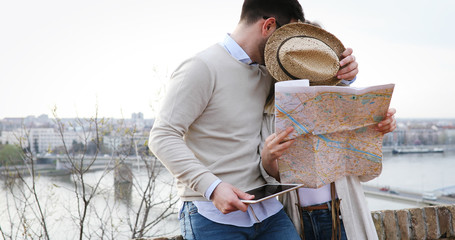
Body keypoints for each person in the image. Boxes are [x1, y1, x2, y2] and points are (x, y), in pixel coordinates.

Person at [148, 1, 361, 239]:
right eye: (286, 38)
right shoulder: (201, 67)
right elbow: (162, 136)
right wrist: (212, 187)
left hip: (267, 211)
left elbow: (313, 88)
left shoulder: (268, 71)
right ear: (269, 26)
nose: (288, 49)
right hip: (213, 213)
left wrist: (345, 74)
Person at [259, 21, 397, 240]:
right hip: (295, 217)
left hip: (343, 212)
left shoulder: (345, 102)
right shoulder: (268, 111)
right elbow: (274, 179)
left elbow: (364, 172)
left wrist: (377, 132)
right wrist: (267, 159)